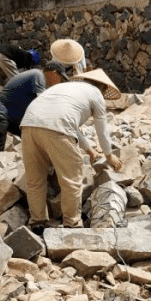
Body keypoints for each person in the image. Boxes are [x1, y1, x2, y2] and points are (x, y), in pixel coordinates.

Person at [19, 67, 123, 230]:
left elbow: (69, 125)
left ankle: (37, 222)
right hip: (57, 129)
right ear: (103, 88)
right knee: (71, 180)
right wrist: (109, 156)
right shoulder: (96, 95)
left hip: (28, 125)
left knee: (35, 180)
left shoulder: (64, 88)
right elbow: (101, 131)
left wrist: (89, 150)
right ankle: (72, 224)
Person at [0, 60, 70, 151]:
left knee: (33, 138)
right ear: (53, 74)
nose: (59, 83)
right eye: (60, 79)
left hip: (11, 117)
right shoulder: (38, 76)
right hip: (0, 110)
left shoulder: (40, 79)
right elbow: (44, 104)